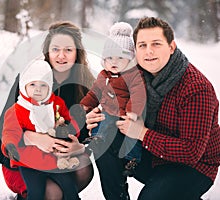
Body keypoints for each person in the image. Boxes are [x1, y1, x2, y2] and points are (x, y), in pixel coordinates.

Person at [86, 16, 220, 200]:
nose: (148, 52)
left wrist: (141, 133)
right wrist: (94, 117)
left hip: (194, 167)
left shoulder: (195, 88)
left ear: (171, 47)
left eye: (156, 44)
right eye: (142, 45)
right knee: (103, 139)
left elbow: (191, 152)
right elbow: (109, 99)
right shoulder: (135, 74)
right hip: (154, 154)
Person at [0, 21, 95, 200]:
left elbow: (85, 131)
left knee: (83, 167)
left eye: (68, 49)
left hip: (55, 161)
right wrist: (32, 137)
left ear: (77, 52)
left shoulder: (85, 85)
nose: (61, 55)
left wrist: (78, 146)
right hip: (22, 161)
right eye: (55, 49)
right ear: (47, 51)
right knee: (53, 193)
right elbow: (3, 127)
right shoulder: (31, 79)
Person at [1, 59, 82, 199]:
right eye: (32, 84)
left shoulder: (56, 104)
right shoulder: (16, 110)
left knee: (69, 188)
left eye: (43, 85)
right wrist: (11, 146)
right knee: (36, 193)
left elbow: (71, 122)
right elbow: (10, 132)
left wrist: (67, 130)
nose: (38, 89)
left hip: (54, 160)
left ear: (50, 87)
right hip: (28, 162)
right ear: (24, 86)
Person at [80, 22, 146, 177]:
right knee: (101, 121)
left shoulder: (133, 75)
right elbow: (95, 92)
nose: (114, 62)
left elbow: (138, 95)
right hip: (109, 111)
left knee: (132, 137)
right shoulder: (104, 75)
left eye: (120, 58)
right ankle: (97, 139)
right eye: (110, 58)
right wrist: (85, 105)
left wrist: (131, 112)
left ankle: (133, 160)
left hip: (126, 115)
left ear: (130, 59)